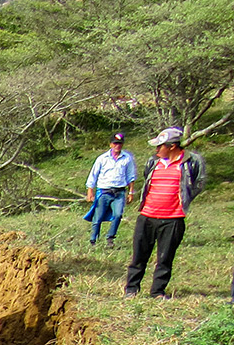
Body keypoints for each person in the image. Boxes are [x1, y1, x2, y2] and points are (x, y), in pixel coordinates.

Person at [124, 127, 206, 300]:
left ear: (172, 146)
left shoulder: (191, 162)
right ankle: (131, 289)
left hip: (173, 218)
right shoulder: (154, 162)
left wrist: (184, 200)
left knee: (165, 257)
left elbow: (198, 183)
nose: (156, 150)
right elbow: (147, 179)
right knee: (139, 254)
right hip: (147, 216)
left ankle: (157, 291)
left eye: (160, 146)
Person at [83, 132, 138, 248]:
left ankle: (110, 238)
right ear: (111, 144)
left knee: (118, 215)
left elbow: (130, 176)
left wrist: (131, 192)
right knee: (98, 217)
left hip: (119, 192)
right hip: (104, 191)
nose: (117, 146)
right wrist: (90, 191)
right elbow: (93, 175)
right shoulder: (102, 159)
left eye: (120, 144)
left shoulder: (127, 158)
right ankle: (93, 240)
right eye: (115, 143)